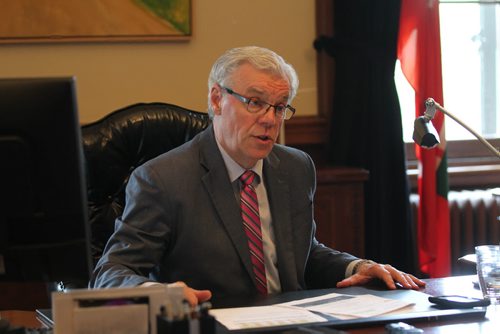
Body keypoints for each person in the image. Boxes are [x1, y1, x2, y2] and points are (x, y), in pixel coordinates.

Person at [90, 46, 425, 306]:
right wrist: (157, 292)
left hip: (293, 324)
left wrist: (356, 267)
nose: (269, 119)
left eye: (280, 107)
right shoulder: (162, 179)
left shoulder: (295, 167)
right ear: (217, 100)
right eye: (255, 102)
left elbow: (303, 254)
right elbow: (110, 273)